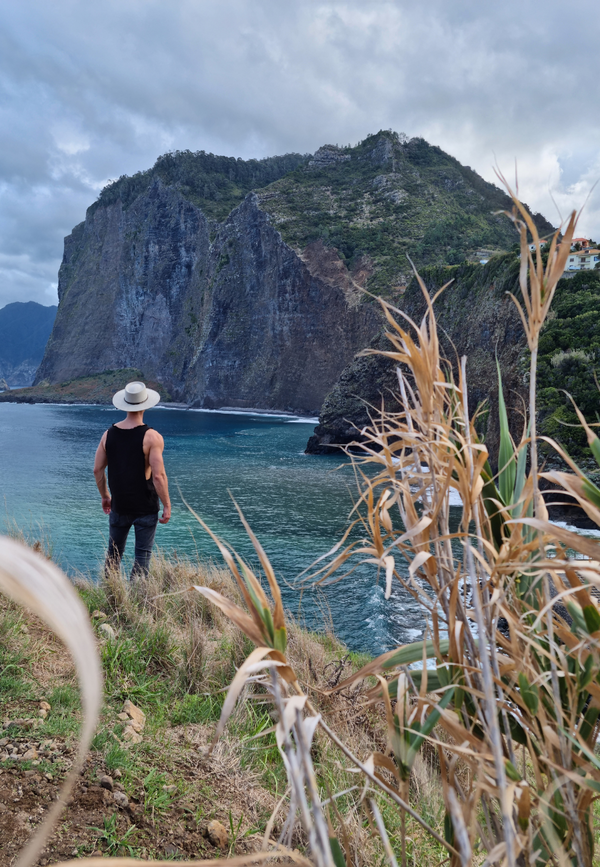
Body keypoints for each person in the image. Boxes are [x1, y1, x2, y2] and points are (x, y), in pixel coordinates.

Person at [93, 381, 171, 579]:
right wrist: (167, 505)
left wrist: (105, 496)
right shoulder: (152, 437)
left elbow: (97, 470)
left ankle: (110, 599)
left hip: (119, 506)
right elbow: (158, 476)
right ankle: (137, 602)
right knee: (142, 558)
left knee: (113, 556)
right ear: (145, 405)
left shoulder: (107, 435)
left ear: (124, 404)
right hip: (146, 508)